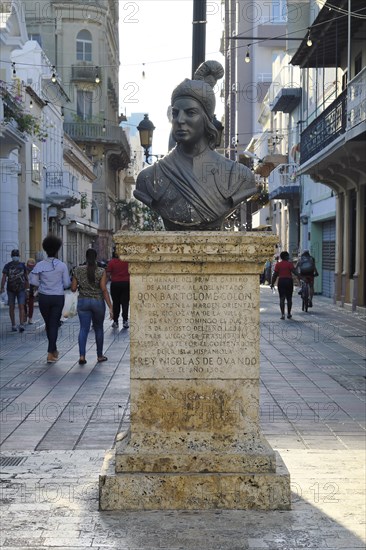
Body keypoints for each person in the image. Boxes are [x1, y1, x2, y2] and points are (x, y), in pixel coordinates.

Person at [134, 60, 256, 230]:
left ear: (206, 119)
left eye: (190, 113)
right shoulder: (149, 178)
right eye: (175, 113)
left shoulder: (238, 176)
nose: (180, 120)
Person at [29, 235, 70, 363]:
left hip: (44, 298)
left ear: (45, 249)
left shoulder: (40, 265)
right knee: (53, 324)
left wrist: (43, 283)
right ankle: (50, 352)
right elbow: (67, 283)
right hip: (58, 297)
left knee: (49, 324)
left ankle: (53, 351)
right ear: (57, 249)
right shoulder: (62, 265)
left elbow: (34, 281)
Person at [71, 248, 113, 365]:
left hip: (83, 302)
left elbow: (73, 288)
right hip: (97, 302)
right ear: (96, 257)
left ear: (85, 257)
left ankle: (82, 356)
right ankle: (99, 356)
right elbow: (104, 289)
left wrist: (81, 286)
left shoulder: (77, 270)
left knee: (83, 329)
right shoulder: (101, 271)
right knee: (99, 328)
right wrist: (110, 306)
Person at [1, 249, 28, 332]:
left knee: (21, 306)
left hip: (21, 289)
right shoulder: (7, 265)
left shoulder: (22, 265)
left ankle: (21, 324)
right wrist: (2, 287)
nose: (15, 256)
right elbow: (4, 277)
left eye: (16, 255)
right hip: (11, 290)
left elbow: (26, 276)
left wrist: (28, 287)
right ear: (12, 256)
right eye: (14, 255)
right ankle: (13, 325)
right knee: (12, 307)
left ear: (18, 256)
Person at [271, 251, 298, 320]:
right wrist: (300, 277)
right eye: (288, 256)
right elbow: (294, 272)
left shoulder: (278, 265)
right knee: (289, 298)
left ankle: (283, 314)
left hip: (281, 281)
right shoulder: (290, 264)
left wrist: (272, 283)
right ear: (286, 257)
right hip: (289, 281)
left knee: (282, 298)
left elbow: (275, 275)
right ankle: (289, 313)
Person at [106, 251, 130, 329]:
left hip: (115, 284)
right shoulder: (128, 261)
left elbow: (108, 274)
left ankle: (115, 321)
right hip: (126, 284)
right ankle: (125, 321)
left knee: (116, 303)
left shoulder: (111, 262)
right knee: (125, 303)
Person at [25, 258, 37, 324]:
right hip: (29, 288)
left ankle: (29, 317)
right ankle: (29, 318)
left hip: (29, 289)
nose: (30, 267)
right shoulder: (34, 271)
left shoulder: (34, 271)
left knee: (29, 304)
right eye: (29, 265)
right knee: (28, 304)